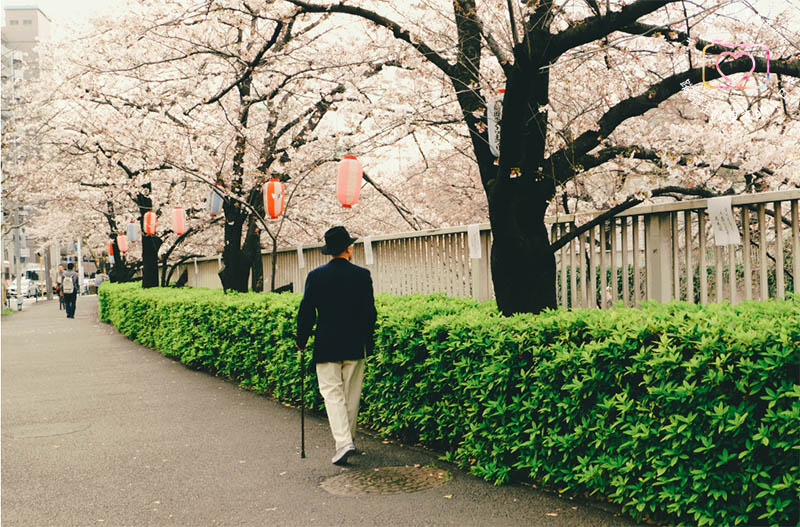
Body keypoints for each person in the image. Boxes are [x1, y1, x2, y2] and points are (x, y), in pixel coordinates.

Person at [296, 226, 377, 465]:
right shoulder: (363, 276)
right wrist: (367, 340)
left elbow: (307, 312)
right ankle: (347, 440)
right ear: (348, 248)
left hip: (327, 344)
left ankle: (344, 443)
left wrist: (301, 339)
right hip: (355, 343)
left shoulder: (316, 276)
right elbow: (369, 313)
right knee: (351, 395)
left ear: (329, 251)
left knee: (332, 394)